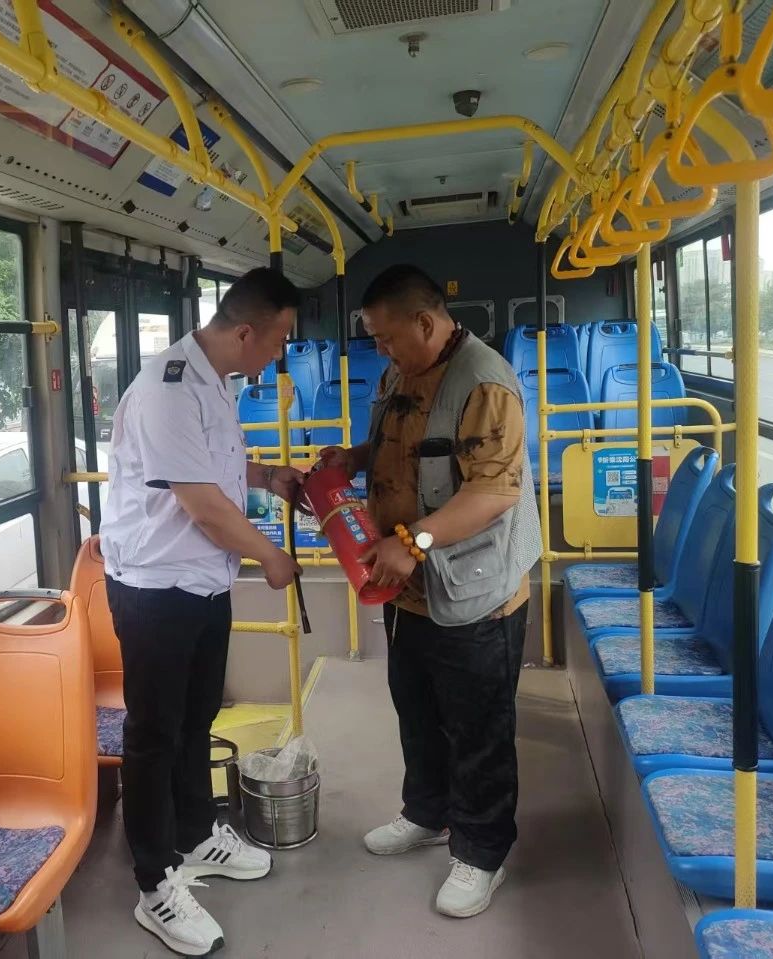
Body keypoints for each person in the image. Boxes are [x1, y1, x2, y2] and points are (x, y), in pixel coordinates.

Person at [320, 263, 541, 919]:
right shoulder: (401, 371)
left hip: (476, 590)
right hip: (410, 587)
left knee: (478, 727)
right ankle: (428, 812)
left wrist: (414, 540)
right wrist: (355, 458)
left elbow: (494, 492)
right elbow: (405, 444)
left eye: (386, 337)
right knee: (416, 707)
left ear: (424, 321)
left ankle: (482, 852)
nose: (381, 349)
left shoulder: (485, 382)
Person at [100, 266, 306, 956]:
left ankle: (194, 835)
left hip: (203, 583)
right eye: (278, 339)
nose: (280, 353)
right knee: (154, 734)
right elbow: (205, 505)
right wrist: (271, 556)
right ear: (246, 332)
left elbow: (214, 466)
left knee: (195, 721)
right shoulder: (168, 387)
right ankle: (154, 882)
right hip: (156, 588)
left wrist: (267, 475)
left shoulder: (217, 381)